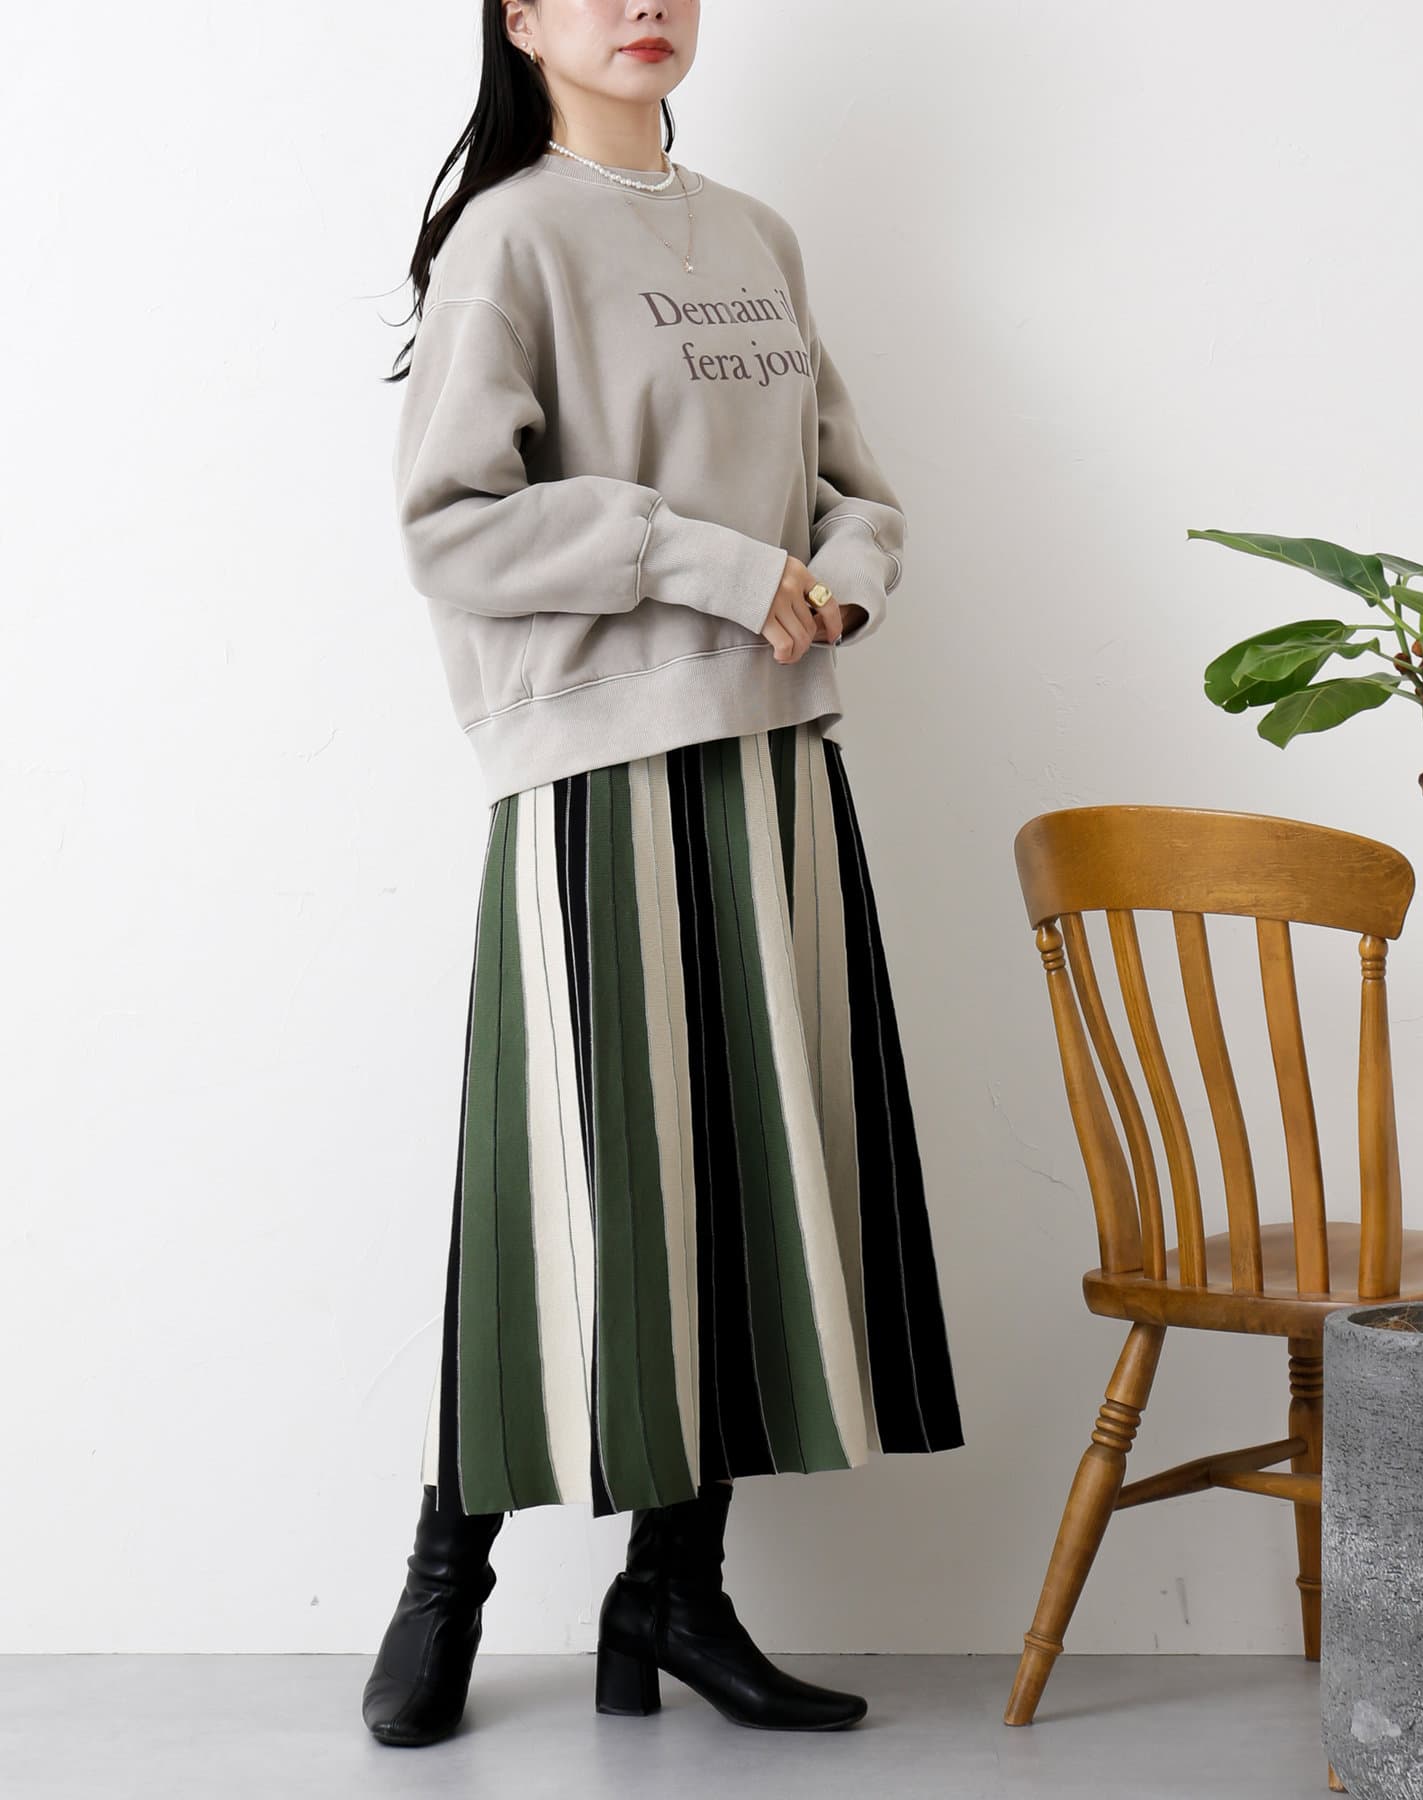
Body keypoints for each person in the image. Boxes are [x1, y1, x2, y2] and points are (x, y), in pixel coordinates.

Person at [362, 0, 965, 1747]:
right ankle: (445, 1579)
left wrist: (843, 580)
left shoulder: (755, 236)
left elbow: (854, 490)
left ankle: (674, 1593)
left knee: (744, 1181)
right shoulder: (509, 240)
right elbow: (449, 524)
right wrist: (709, 562)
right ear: (520, 18)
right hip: (598, 771)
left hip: (775, 761)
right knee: (559, 1181)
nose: (644, 3)